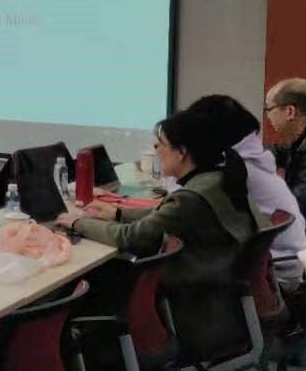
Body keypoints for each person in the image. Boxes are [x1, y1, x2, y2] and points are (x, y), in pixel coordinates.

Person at [57, 110, 261, 291]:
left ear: (181, 152)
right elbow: (166, 214)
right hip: (217, 280)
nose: (155, 149)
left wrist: (77, 222)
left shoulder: (191, 198)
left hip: (192, 290)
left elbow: (129, 237)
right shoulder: (216, 179)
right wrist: (117, 213)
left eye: (160, 144)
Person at [187, 94, 306, 288]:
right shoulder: (253, 163)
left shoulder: (236, 172)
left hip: (273, 277)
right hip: (287, 268)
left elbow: (184, 213)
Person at [266, 78, 306, 220]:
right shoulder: (301, 142)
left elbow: (298, 207)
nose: (268, 117)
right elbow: (284, 149)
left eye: (269, 109)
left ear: (290, 111)